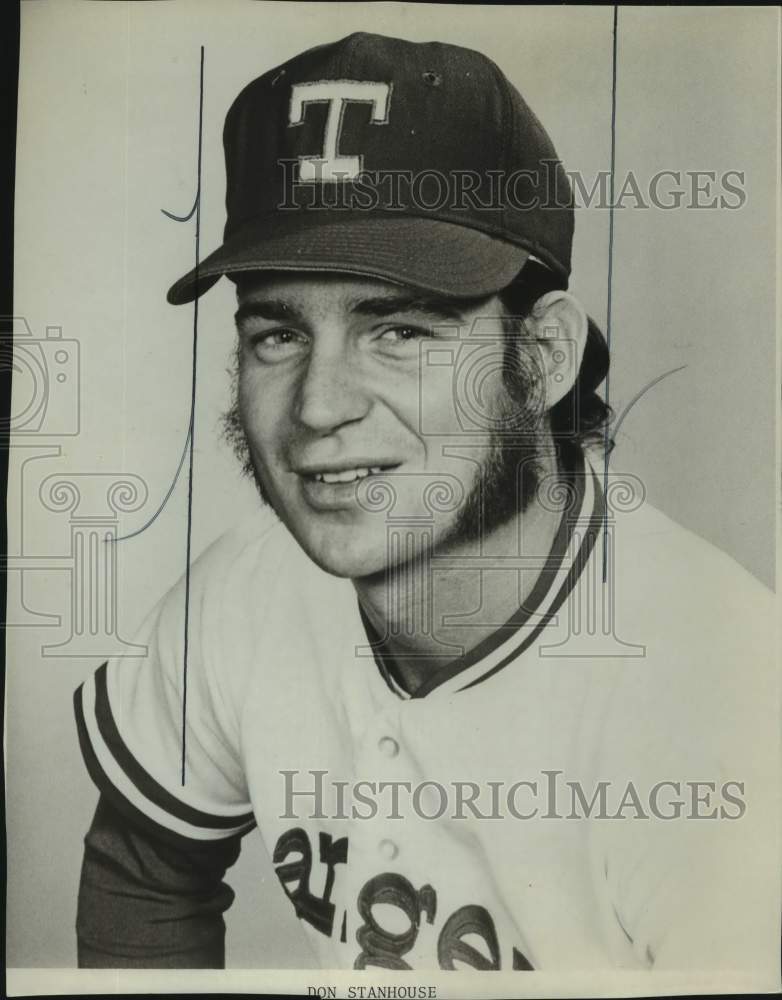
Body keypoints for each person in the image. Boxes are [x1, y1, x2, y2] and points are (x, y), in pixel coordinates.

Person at [73, 31, 775, 972]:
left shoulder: (724, 705)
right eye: (277, 335)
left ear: (544, 358)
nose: (320, 407)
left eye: (400, 330)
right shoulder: (246, 591)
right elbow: (143, 868)